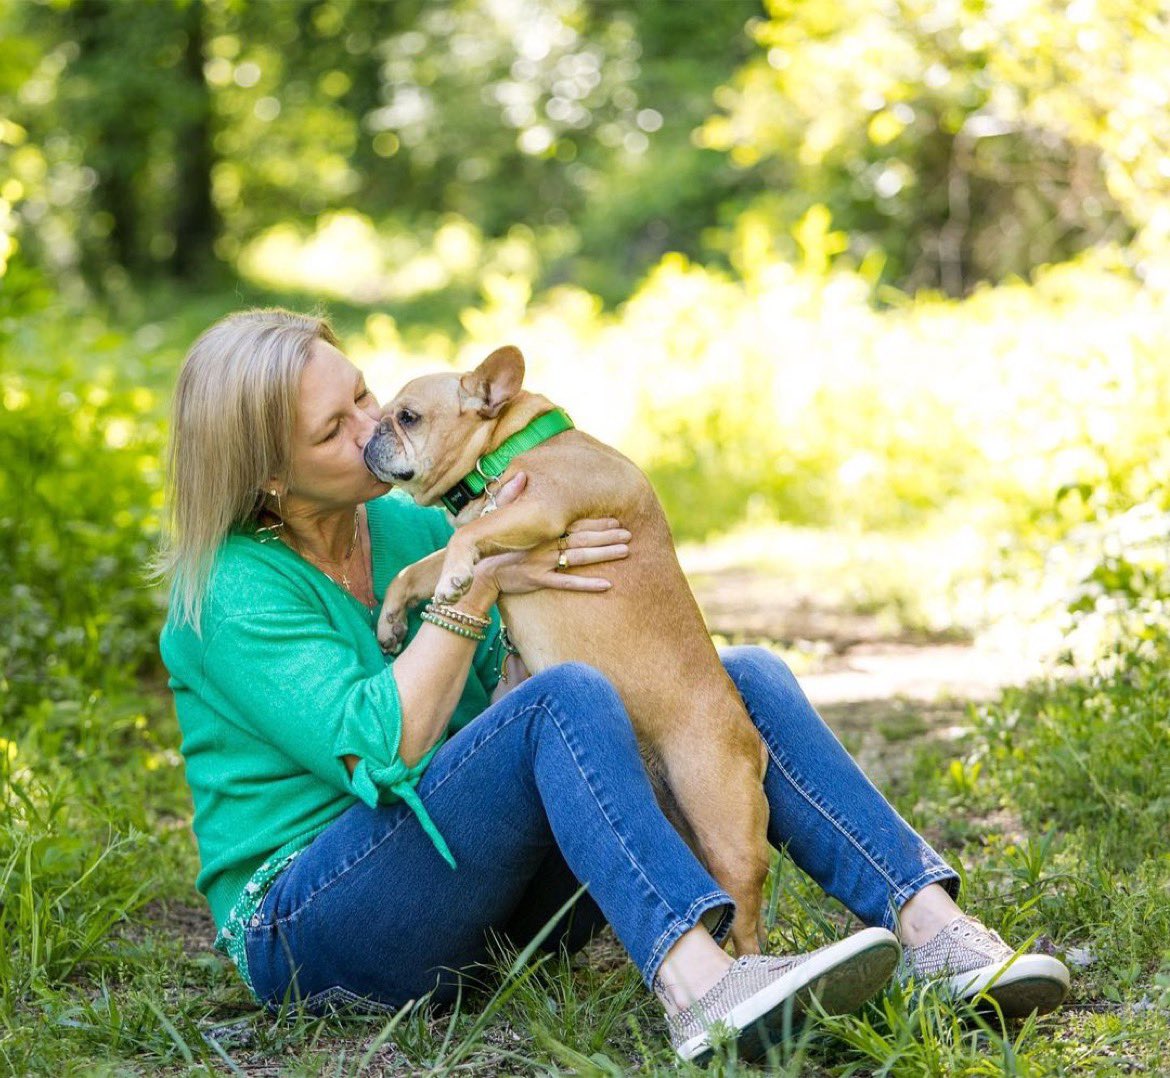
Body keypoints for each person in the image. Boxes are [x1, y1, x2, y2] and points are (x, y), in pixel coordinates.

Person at [157, 308, 1070, 1064]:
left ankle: (934, 928)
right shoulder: (229, 593)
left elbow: (498, 698)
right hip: (316, 928)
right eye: (334, 427)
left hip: (477, 894)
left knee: (732, 679)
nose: (370, 427)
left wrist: (543, 569)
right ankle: (704, 987)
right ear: (267, 475)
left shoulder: (402, 527)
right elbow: (391, 746)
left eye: (363, 392)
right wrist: (481, 569)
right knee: (567, 698)